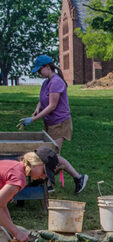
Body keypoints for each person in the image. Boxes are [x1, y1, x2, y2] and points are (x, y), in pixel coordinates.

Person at [17, 55, 87, 194]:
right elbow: (43, 100)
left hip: (60, 123)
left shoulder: (56, 82)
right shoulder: (46, 83)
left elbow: (52, 106)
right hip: (50, 123)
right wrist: (37, 109)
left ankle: (79, 177)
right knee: (47, 155)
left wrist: (33, 120)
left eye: (40, 70)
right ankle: (48, 184)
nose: (38, 73)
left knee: (52, 156)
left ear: (48, 67)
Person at [0, 147, 59, 242]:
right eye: (45, 172)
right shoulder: (19, 177)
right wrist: (16, 232)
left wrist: (13, 234)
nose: (44, 177)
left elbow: (2, 206)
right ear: (37, 164)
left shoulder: (14, 166)